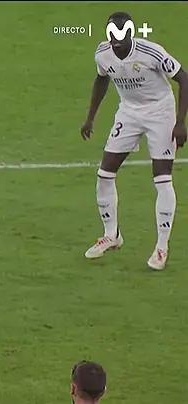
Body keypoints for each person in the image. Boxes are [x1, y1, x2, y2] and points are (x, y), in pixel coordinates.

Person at [81, 11, 188, 270]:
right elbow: (101, 79)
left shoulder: (151, 53)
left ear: (130, 33)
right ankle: (111, 235)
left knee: (162, 178)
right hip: (129, 112)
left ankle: (161, 248)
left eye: (121, 35)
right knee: (105, 173)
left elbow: (184, 78)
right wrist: (90, 118)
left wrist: (180, 121)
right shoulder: (102, 54)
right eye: (112, 35)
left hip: (160, 112)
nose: (116, 41)